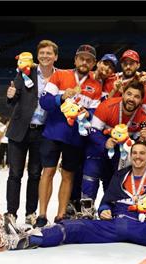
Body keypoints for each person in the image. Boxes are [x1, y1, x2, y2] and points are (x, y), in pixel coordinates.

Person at [0, 141, 146, 264]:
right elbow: (106, 203)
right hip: (113, 224)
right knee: (74, 226)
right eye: (135, 153)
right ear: (131, 155)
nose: (138, 157)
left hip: (143, 224)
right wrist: (103, 211)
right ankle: (24, 239)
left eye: (143, 153)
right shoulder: (119, 176)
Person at [38, 44, 102, 226]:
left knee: (68, 176)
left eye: (88, 60)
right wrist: (61, 98)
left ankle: (60, 216)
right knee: (48, 172)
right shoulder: (60, 75)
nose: (84, 62)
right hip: (53, 132)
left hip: (75, 137)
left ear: (93, 63)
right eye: (81, 58)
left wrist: (86, 113)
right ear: (75, 60)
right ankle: (41, 215)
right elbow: (44, 101)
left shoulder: (95, 85)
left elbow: (95, 112)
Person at [4, 39, 58, 226]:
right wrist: (10, 95)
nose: (45, 56)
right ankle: (11, 213)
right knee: (15, 173)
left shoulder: (59, 76)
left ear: (55, 56)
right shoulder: (26, 71)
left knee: (35, 174)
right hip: (20, 130)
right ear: (38, 56)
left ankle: (30, 213)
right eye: (42, 53)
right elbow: (14, 97)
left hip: (42, 133)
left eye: (48, 53)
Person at [82, 80, 146, 217]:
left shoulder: (142, 116)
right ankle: (86, 211)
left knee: (114, 182)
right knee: (91, 174)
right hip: (99, 149)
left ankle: (108, 210)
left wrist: (141, 139)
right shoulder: (107, 105)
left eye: (136, 96)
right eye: (129, 94)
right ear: (123, 94)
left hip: (120, 155)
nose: (131, 99)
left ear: (141, 100)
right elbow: (92, 131)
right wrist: (104, 143)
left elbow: (136, 142)